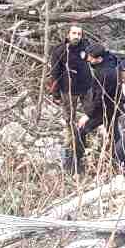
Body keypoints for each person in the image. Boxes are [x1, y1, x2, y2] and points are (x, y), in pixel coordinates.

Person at [48, 24, 94, 171]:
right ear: (68, 34)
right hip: (68, 91)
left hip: (86, 88)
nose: (76, 36)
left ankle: (88, 141)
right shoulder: (60, 51)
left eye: (79, 34)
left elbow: (97, 59)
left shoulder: (86, 46)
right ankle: (70, 147)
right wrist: (55, 94)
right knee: (69, 119)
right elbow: (54, 73)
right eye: (74, 33)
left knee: (91, 114)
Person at [69, 44, 121, 171]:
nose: (88, 60)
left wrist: (88, 115)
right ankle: (120, 158)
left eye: (91, 58)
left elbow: (99, 98)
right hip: (115, 106)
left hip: (105, 109)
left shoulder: (104, 74)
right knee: (114, 134)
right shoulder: (110, 58)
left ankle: (75, 164)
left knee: (81, 130)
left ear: (99, 59)